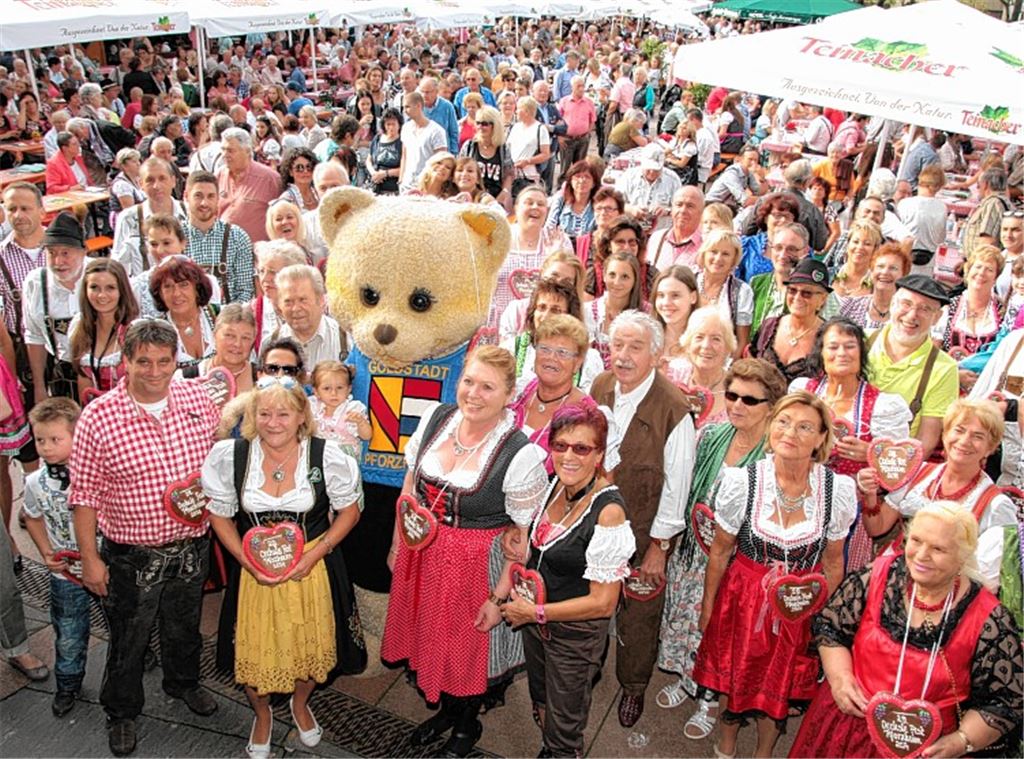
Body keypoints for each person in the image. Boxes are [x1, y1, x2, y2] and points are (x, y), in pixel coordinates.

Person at [381, 346, 549, 758]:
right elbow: (409, 486)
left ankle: (465, 724)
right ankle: (445, 711)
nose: (474, 393)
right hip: (422, 553)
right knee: (428, 635)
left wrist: (499, 598)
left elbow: (521, 540)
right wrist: (397, 542)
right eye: (469, 381)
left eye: (487, 387)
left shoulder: (520, 453)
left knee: (465, 646)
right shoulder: (436, 419)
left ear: (509, 395)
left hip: (476, 566)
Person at [69, 320, 221, 757]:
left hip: (192, 544)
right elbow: (84, 495)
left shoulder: (196, 397)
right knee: (128, 638)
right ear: (125, 359)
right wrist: (90, 560)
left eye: (163, 361)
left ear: (176, 360)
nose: (154, 371)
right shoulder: (99, 416)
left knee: (184, 627)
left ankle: (183, 684)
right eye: (143, 362)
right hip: (131, 554)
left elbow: (217, 457)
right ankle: (120, 711)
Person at [203, 375, 366, 759]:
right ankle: (261, 714)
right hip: (254, 572)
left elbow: (350, 512)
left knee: (310, 652)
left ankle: (299, 704)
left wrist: (315, 553)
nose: (273, 422)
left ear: (301, 417)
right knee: (254, 652)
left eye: (283, 413)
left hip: (313, 571)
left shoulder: (326, 455)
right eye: (264, 413)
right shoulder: (234, 455)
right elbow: (220, 517)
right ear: (252, 415)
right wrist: (246, 562)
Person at [789, 502, 1023, 758]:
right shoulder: (876, 577)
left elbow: (1004, 702)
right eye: (916, 541)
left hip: (926, 745)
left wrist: (960, 741)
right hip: (847, 727)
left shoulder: (988, 618)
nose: (922, 555)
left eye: (938, 549)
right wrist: (840, 679)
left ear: (962, 556)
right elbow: (831, 627)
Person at [694, 390, 855, 758]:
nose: (791, 433)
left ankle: (765, 752)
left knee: (780, 680)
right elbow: (720, 551)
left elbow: (832, 563)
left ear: (820, 439)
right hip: (743, 594)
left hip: (802, 601)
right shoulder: (743, 481)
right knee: (734, 674)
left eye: (804, 427)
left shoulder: (836, 490)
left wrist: (823, 620)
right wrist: (707, 608)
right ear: (771, 428)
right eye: (783, 422)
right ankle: (727, 743)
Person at [657, 359, 787, 738]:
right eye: (731, 395)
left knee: (717, 629)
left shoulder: (773, 457)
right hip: (693, 554)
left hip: (735, 564)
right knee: (686, 619)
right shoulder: (710, 435)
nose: (737, 406)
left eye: (750, 400)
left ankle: (709, 700)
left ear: (771, 405)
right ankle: (686, 679)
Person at [500, 399, 635, 757]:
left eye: (582, 448)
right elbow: (544, 546)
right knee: (542, 698)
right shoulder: (554, 485)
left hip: (575, 634)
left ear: (599, 454)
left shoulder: (608, 513)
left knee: (565, 726)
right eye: (560, 446)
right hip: (537, 620)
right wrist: (516, 539)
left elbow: (603, 604)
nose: (569, 456)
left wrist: (535, 614)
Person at [590, 310, 694, 728]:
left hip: (642, 534)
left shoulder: (674, 409)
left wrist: (659, 547)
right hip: (595, 525)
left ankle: (633, 687)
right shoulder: (599, 386)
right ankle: (589, 667)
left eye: (636, 347)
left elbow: (678, 487)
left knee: (638, 617)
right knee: (591, 604)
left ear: (656, 355)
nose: (625, 356)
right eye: (618, 345)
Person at [792, 318, 913, 568]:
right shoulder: (803, 392)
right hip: (797, 504)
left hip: (850, 517)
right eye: (833, 346)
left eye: (850, 346)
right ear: (821, 353)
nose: (842, 353)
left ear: (861, 353)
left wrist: (871, 454)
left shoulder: (883, 405)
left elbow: (899, 469)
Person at [859, 399, 1017, 548]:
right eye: (959, 430)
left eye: (978, 436)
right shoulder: (916, 472)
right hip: (899, 572)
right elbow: (877, 528)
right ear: (945, 434)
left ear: (990, 448)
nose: (964, 441)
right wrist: (870, 496)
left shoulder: (996, 504)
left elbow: (1001, 568)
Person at [21, 397, 88, 716]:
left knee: (123, 621)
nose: (46, 447)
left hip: (104, 568)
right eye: (40, 440)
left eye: (55, 439)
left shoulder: (95, 475)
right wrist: (46, 551)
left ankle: (136, 658)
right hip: (64, 573)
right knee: (68, 632)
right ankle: (68, 683)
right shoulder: (34, 482)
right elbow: (31, 515)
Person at [866, 275, 959, 460]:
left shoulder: (943, 368)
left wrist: (875, 457)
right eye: (906, 304)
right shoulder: (861, 341)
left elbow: (926, 442)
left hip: (893, 469)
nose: (912, 315)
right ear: (892, 304)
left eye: (925, 309)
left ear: (937, 317)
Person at [508, 313, 592, 470]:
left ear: (578, 363)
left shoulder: (587, 415)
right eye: (545, 349)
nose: (551, 358)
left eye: (562, 353)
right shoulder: (517, 393)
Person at [24, 212, 87, 404]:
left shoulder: (101, 276)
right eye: (52, 253)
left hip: (102, 373)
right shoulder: (36, 282)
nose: (59, 262)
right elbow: (34, 336)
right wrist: (40, 387)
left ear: (84, 251)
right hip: (61, 374)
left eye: (66, 253)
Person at [491, 186, 571, 328]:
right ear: (516, 207)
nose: (535, 207)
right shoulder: (499, 238)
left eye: (541, 204)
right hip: (500, 323)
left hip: (545, 325)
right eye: (529, 202)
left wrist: (554, 255)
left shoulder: (559, 239)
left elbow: (567, 288)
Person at [751, 259, 830, 384]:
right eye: (792, 290)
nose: (797, 298)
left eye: (807, 293)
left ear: (823, 299)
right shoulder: (769, 327)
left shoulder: (830, 337)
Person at [68, 259, 137, 401]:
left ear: (122, 290)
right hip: (96, 416)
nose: (102, 295)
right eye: (94, 287)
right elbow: (83, 383)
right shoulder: (79, 327)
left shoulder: (135, 331)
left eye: (110, 288)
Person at [184, 170, 255, 304]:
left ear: (218, 199)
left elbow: (245, 290)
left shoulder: (237, 236)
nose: (204, 203)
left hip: (227, 319)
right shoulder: (174, 236)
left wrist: (228, 319)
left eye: (210, 196)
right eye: (198, 196)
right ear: (186, 196)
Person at [111, 156, 189, 277]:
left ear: (173, 181)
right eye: (150, 180)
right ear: (140, 184)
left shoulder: (190, 213)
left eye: (162, 178)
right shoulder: (128, 218)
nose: (156, 186)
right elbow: (118, 264)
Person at [665, 307, 737, 427]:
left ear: (727, 347)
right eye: (699, 337)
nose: (706, 345)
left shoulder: (736, 390)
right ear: (688, 344)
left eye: (716, 339)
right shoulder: (671, 375)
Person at [149, 256, 218, 374]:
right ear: (159, 293)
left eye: (183, 284)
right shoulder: (156, 332)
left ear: (197, 288)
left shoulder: (219, 316)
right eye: (168, 286)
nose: (176, 293)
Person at [934, 245, 1004, 362]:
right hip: (950, 375)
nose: (981, 273)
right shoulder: (949, 307)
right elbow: (933, 350)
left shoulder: (1002, 312)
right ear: (968, 270)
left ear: (996, 278)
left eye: (989, 269)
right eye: (978, 267)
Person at [271, 264, 345, 367]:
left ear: (321, 300)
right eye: (288, 302)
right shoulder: (271, 343)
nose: (296, 308)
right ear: (279, 305)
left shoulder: (344, 341)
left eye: (303, 300)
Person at [218, 127, 283, 244]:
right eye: (223, 150)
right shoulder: (218, 176)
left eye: (230, 151)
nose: (224, 155)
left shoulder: (269, 179)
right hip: (223, 252)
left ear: (247, 151)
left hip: (257, 253)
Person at [694, 230, 753, 356]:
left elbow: (742, 342)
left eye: (725, 254)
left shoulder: (742, 291)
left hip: (723, 361)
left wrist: (727, 370)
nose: (718, 258)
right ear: (704, 254)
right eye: (713, 252)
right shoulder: (689, 282)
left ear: (734, 260)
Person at [839, 242, 912, 333]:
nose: (885, 272)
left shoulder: (908, 315)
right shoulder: (848, 306)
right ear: (872, 271)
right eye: (880, 266)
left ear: (904, 275)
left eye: (893, 268)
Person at [188, 303, 258, 395]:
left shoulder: (262, 378)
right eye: (230, 335)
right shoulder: (187, 378)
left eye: (245, 338)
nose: (237, 344)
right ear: (214, 336)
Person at [251, 241, 307, 352]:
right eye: (262, 271)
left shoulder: (315, 307)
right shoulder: (252, 311)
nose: (265, 279)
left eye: (273, 272)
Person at [309, 361, 371, 458]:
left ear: (349, 389)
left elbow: (367, 436)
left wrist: (361, 422)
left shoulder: (353, 409)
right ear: (316, 391)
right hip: (317, 457)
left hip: (344, 460)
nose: (334, 393)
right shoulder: (312, 407)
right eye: (327, 388)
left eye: (339, 388)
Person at [614, 145, 682, 231]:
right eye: (649, 168)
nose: (652, 172)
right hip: (631, 230)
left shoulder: (673, 179)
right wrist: (631, 209)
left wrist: (666, 211)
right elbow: (615, 203)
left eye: (656, 169)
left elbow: (681, 208)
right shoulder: (628, 177)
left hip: (661, 232)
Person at [737, 191, 799, 284]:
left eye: (788, 217)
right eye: (778, 215)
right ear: (766, 218)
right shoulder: (747, 245)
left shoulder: (801, 248)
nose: (783, 220)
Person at [460, 105, 513, 209]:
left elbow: (509, 174)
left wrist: (505, 192)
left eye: (485, 124)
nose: (480, 127)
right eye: (478, 123)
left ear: (495, 125)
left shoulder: (503, 149)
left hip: (496, 198)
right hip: (472, 198)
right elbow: (459, 169)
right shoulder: (469, 146)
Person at [896, 163, 947, 269]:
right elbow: (941, 238)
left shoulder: (904, 204)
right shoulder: (942, 207)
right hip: (929, 258)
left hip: (904, 254)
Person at [652, 265, 699, 375]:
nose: (666, 303)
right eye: (661, 295)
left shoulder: (703, 342)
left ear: (693, 297)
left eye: (675, 295)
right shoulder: (647, 336)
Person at [646, 186, 704, 273]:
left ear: (701, 211)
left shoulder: (706, 244)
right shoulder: (657, 238)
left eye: (690, 206)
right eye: (679, 205)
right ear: (672, 209)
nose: (683, 210)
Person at [399, 92, 447, 193]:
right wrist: (401, 179)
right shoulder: (406, 128)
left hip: (426, 185)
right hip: (406, 185)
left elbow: (442, 160)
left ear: (418, 106)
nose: (405, 111)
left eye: (407, 107)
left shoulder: (436, 131)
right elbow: (404, 155)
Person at [962, 167, 1011, 259]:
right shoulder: (1001, 202)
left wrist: (972, 263)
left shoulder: (993, 204)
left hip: (981, 262)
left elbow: (987, 241)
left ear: (985, 185)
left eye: (979, 185)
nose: (977, 188)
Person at [546, 160, 600, 240]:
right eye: (577, 176)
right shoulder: (561, 200)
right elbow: (549, 228)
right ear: (570, 181)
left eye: (587, 177)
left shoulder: (599, 205)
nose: (582, 181)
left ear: (594, 183)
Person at [557, 75, 596, 180]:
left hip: (582, 139)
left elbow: (592, 120)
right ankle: (561, 189)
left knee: (579, 168)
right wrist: (559, 137)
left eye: (583, 86)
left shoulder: (589, 102)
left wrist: (586, 134)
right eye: (578, 86)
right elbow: (557, 120)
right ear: (572, 87)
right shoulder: (564, 101)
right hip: (567, 139)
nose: (581, 89)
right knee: (564, 169)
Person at [366, 108, 402, 196]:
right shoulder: (377, 138)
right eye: (388, 124)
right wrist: (374, 173)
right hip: (374, 186)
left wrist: (385, 174)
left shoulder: (402, 142)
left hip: (393, 189)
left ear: (399, 124)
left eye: (394, 124)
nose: (391, 127)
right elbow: (369, 160)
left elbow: (405, 168)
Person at [108, 148, 146, 223]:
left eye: (138, 161)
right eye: (134, 162)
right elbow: (129, 211)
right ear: (124, 166)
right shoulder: (121, 185)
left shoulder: (138, 179)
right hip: (125, 222)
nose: (138, 164)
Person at [277, 147, 319, 212]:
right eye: (299, 168)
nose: (305, 171)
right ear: (290, 172)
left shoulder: (319, 192)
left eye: (309, 167)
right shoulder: (286, 199)